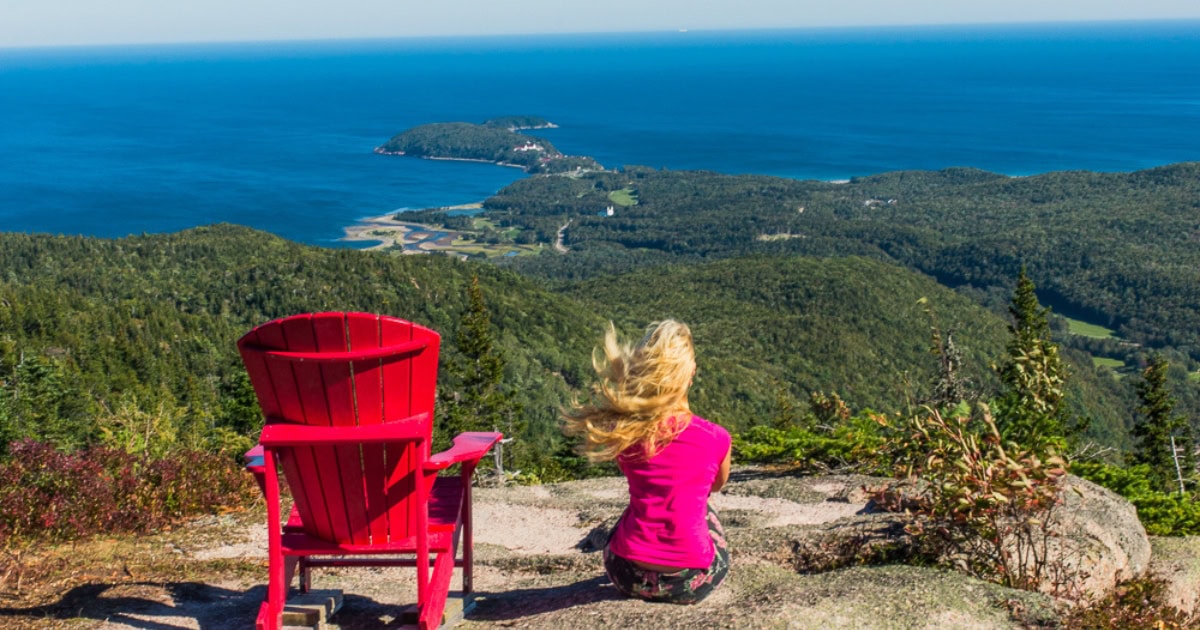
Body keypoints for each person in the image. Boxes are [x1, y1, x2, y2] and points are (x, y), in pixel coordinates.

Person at [564, 320, 731, 604]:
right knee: (704, 507)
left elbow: (632, 470)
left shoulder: (626, 434)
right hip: (689, 581)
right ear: (690, 372)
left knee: (636, 507)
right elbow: (716, 485)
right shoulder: (716, 438)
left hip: (627, 575)